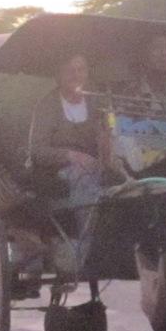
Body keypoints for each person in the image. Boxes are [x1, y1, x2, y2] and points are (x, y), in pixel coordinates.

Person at [29, 53, 104, 272]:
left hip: (95, 167)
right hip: (55, 171)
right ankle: (82, 252)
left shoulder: (95, 103)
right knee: (86, 181)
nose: (76, 75)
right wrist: (72, 156)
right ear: (59, 75)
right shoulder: (47, 105)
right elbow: (37, 150)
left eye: (81, 69)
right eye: (70, 70)